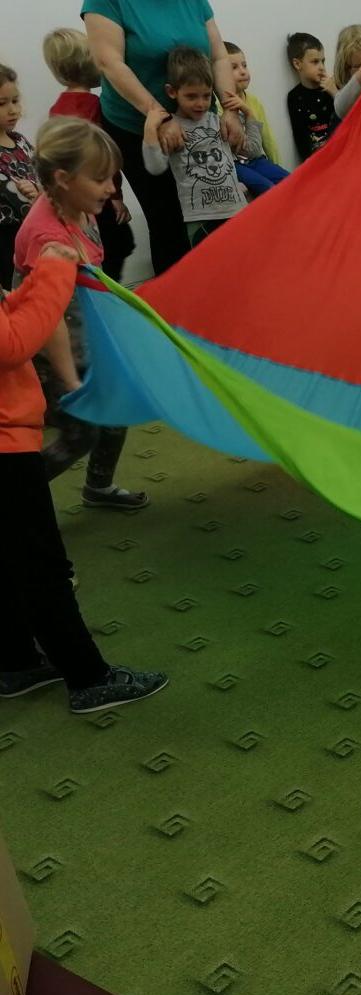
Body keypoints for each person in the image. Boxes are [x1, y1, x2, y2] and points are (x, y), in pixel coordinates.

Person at [0, 240, 168, 712]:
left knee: (11, 556)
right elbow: (13, 343)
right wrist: (53, 272)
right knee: (41, 563)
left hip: (8, 435)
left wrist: (36, 282)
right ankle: (89, 678)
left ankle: (16, 660)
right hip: (4, 446)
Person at [18, 117, 146, 510]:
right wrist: (71, 380)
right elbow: (48, 317)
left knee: (115, 407)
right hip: (47, 352)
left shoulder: (80, 205)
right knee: (80, 432)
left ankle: (99, 488)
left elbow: (93, 278)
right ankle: (15, 498)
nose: (111, 188)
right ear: (64, 178)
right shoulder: (48, 239)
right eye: (101, 179)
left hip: (83, 335)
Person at [81, 0, 245, 274]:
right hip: (137, 127)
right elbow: (109, 63)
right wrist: (159, 115)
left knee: (213, 217)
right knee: (169, 223)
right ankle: (176, 308)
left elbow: (218, 57)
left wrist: (230, 109)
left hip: (195, 125)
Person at [41, 28, 135, 281]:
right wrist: (115, 196)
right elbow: (102, 160)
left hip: (75, 196)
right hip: (98, 197)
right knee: (119, 244)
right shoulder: (95, 107)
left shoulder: (57, 108)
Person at [142, 48, 260, 250]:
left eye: (206, 95)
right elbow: (155, 167)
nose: (200, 103)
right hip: (201, 220)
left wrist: (248, 114)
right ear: (172, 92)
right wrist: (150, 130)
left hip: (236, 212)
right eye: (191, 96)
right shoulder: (172, 128)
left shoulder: (220, 122)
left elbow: (253, 151)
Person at [223, 42, 288, 196]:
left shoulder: (254, 101)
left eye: (244, 65)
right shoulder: (220, 104)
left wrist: (275, 164)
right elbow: (239, 147)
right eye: (234, 68)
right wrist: (246, 113)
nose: (243, 72)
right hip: (236, 164)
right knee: (268, 189)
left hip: (257, 160)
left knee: (289, 181)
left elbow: (267, 138)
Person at [0, 65, 37, 283]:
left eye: (15, 101)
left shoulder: (20, 141)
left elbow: (41, 178)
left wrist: (38, 190)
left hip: (30, 232)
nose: (13, 110)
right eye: (2, 104)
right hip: (5, 239)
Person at [285, 32, 339, 162]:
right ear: (297, 64)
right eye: (315, 62)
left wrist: (336, 94)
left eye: (323, 61)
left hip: (341, 152)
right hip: (318, 160)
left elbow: (348, 118)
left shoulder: (332, 87)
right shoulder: (294, 97)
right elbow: (300, 138)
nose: (321, 67)